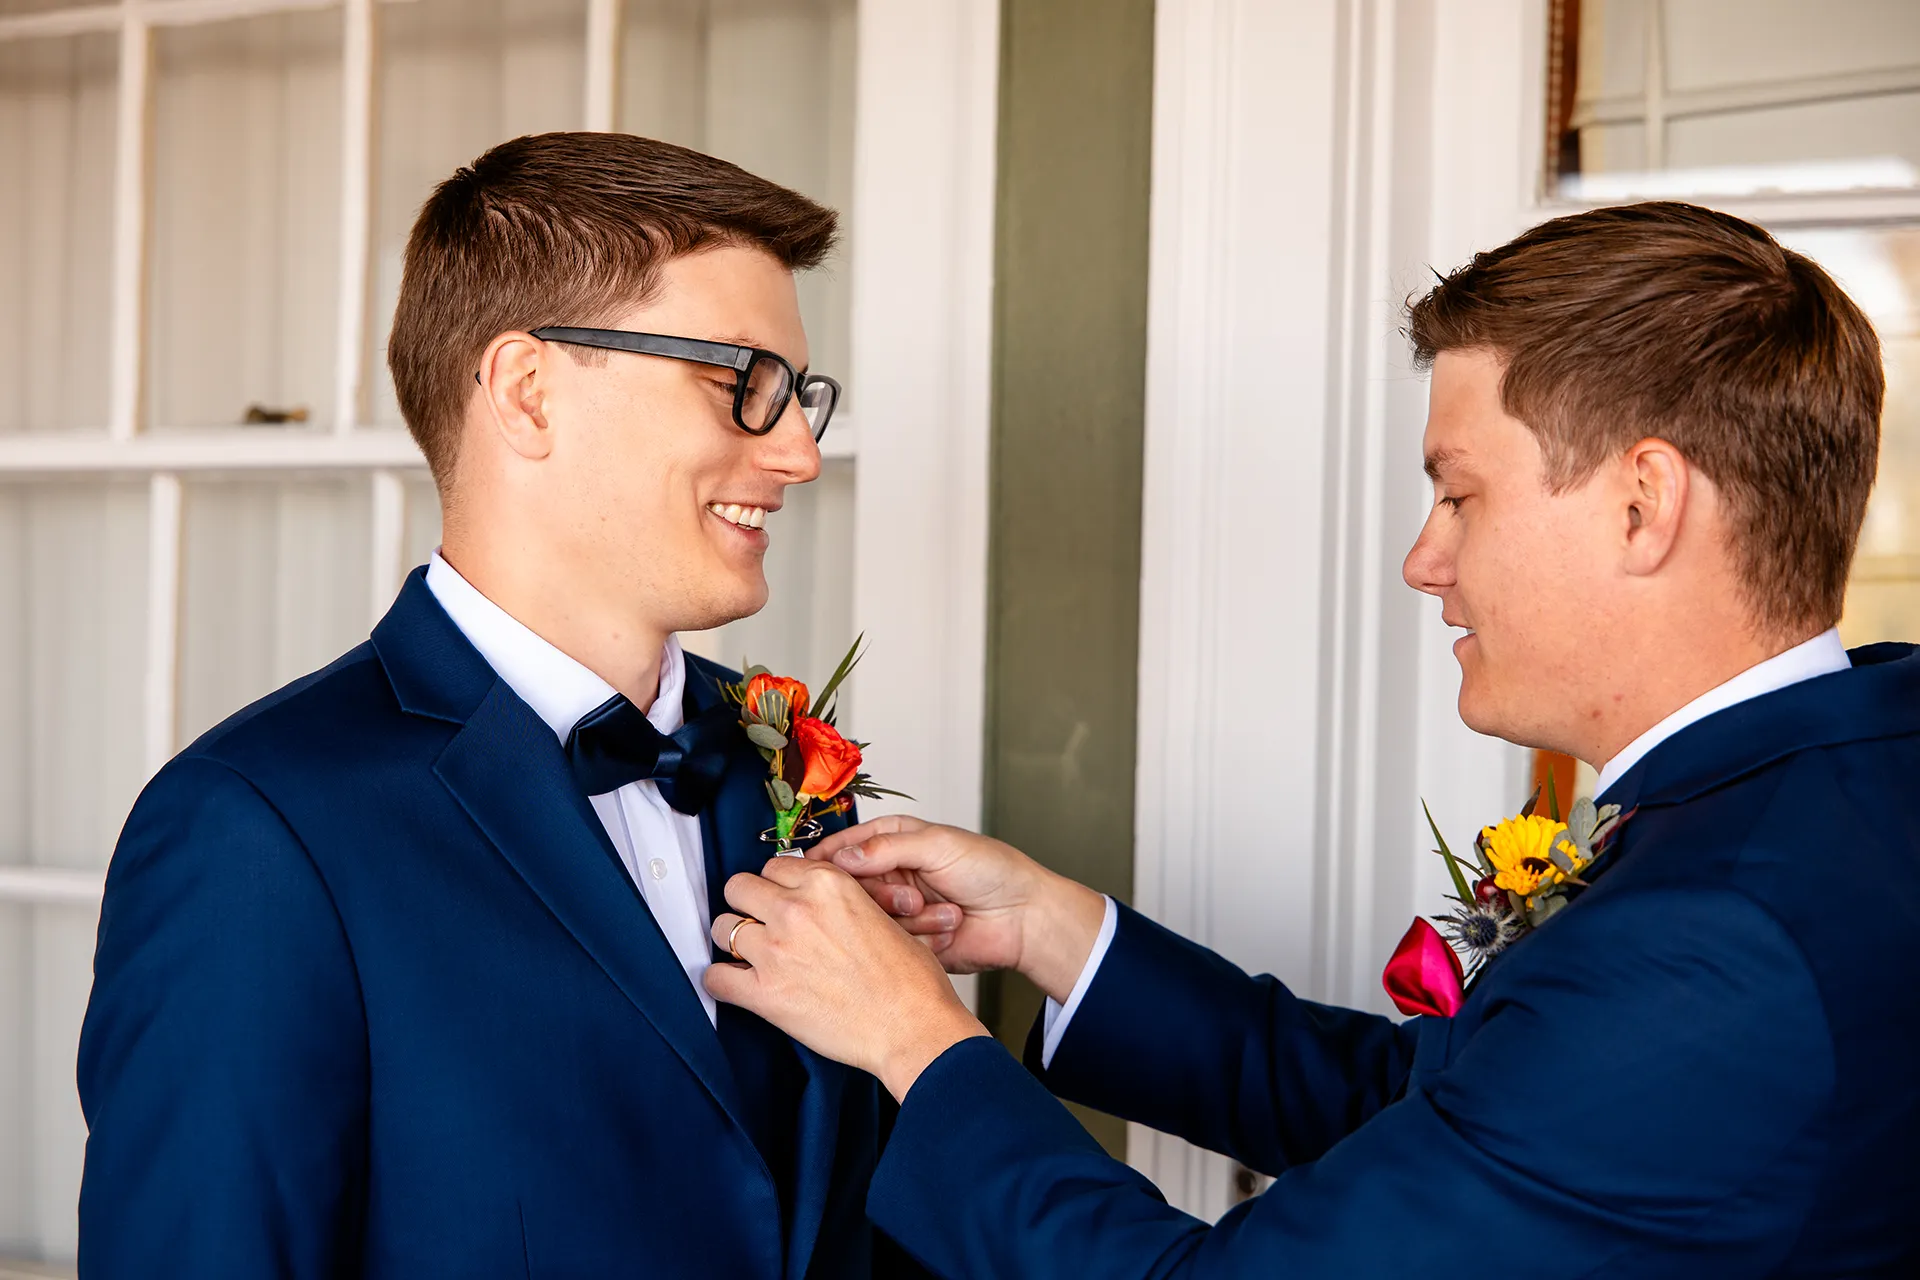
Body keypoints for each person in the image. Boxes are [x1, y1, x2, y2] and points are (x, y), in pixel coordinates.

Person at [703, 202, 1920, 1277]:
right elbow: (1452, 1114)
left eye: (1459, 492)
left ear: (1643, 505)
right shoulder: (1856, 774)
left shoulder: (1711, 941)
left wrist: (920, 1040)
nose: (1423, 560)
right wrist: (1057, 930)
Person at [78, 132, 921, 1278]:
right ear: (528, 392)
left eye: (798, 394)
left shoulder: (788, 768)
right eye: (744, 385)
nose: (800, 454)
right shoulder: (256, 830)